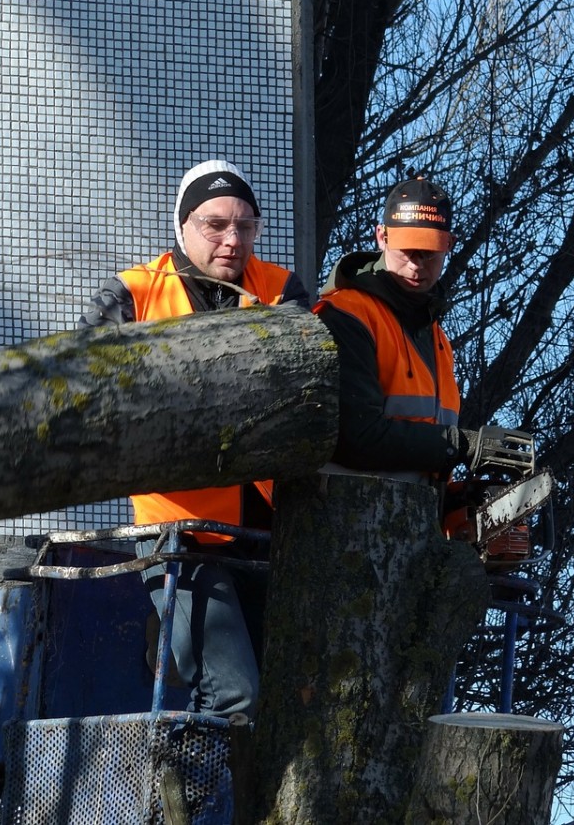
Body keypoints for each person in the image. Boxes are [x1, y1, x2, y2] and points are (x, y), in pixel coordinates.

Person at [79, 159, 309, 720]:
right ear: (182, 226)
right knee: (234, 695)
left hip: (265, 533)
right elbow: (92, 403)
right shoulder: (131, 295)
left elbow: (303, 391)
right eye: (216, 225)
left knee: (278, 704)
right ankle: (193, 804)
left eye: (245, 225)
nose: (233, 240)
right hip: (180, 533)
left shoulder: (281, 289)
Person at [314, 175, 471, 482]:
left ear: (449, 245)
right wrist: (461, 446)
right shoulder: (345, 315)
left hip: (405, 519)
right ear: (381, 237)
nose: (416, 264)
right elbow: (356, 437)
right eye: (407, 250)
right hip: (347, 516)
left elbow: (426, 457)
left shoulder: (438, 339)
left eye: (428, 253)